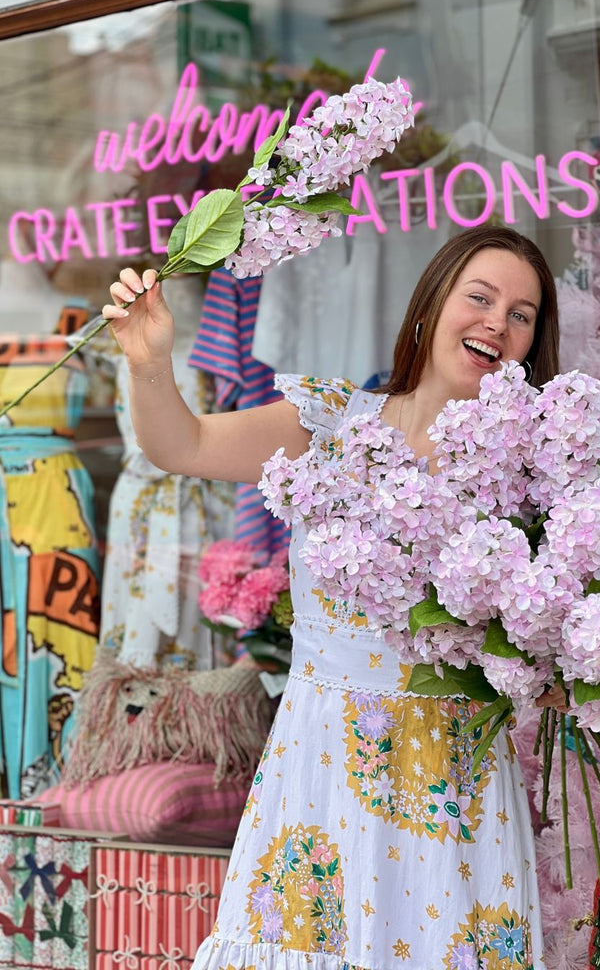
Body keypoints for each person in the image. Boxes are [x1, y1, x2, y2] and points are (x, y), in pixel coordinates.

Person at [103, 226, 566, 970]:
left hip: (457, 784)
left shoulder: (537, 475)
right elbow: (180, 447)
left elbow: (555, 641)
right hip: (321, 765)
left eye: (521, 315)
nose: (497, 323)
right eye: (480, 298)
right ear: (430, 304)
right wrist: (149, 363)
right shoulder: (330, 422)